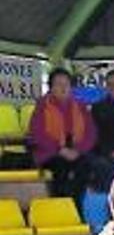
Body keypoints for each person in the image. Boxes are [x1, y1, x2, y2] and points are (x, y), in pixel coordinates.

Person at [28, 68, 97, 205]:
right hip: (51, 154)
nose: (63, 88)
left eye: (66, 84)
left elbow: (91, 133)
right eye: (58, 84)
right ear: (51, 87)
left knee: (87, 167)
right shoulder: (42, 106)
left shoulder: (80, 106)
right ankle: (61, 208)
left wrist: (78, 150)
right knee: (61, 170)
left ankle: (76, 208)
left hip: (77, 152)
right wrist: (60, 149)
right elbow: (37, 134)